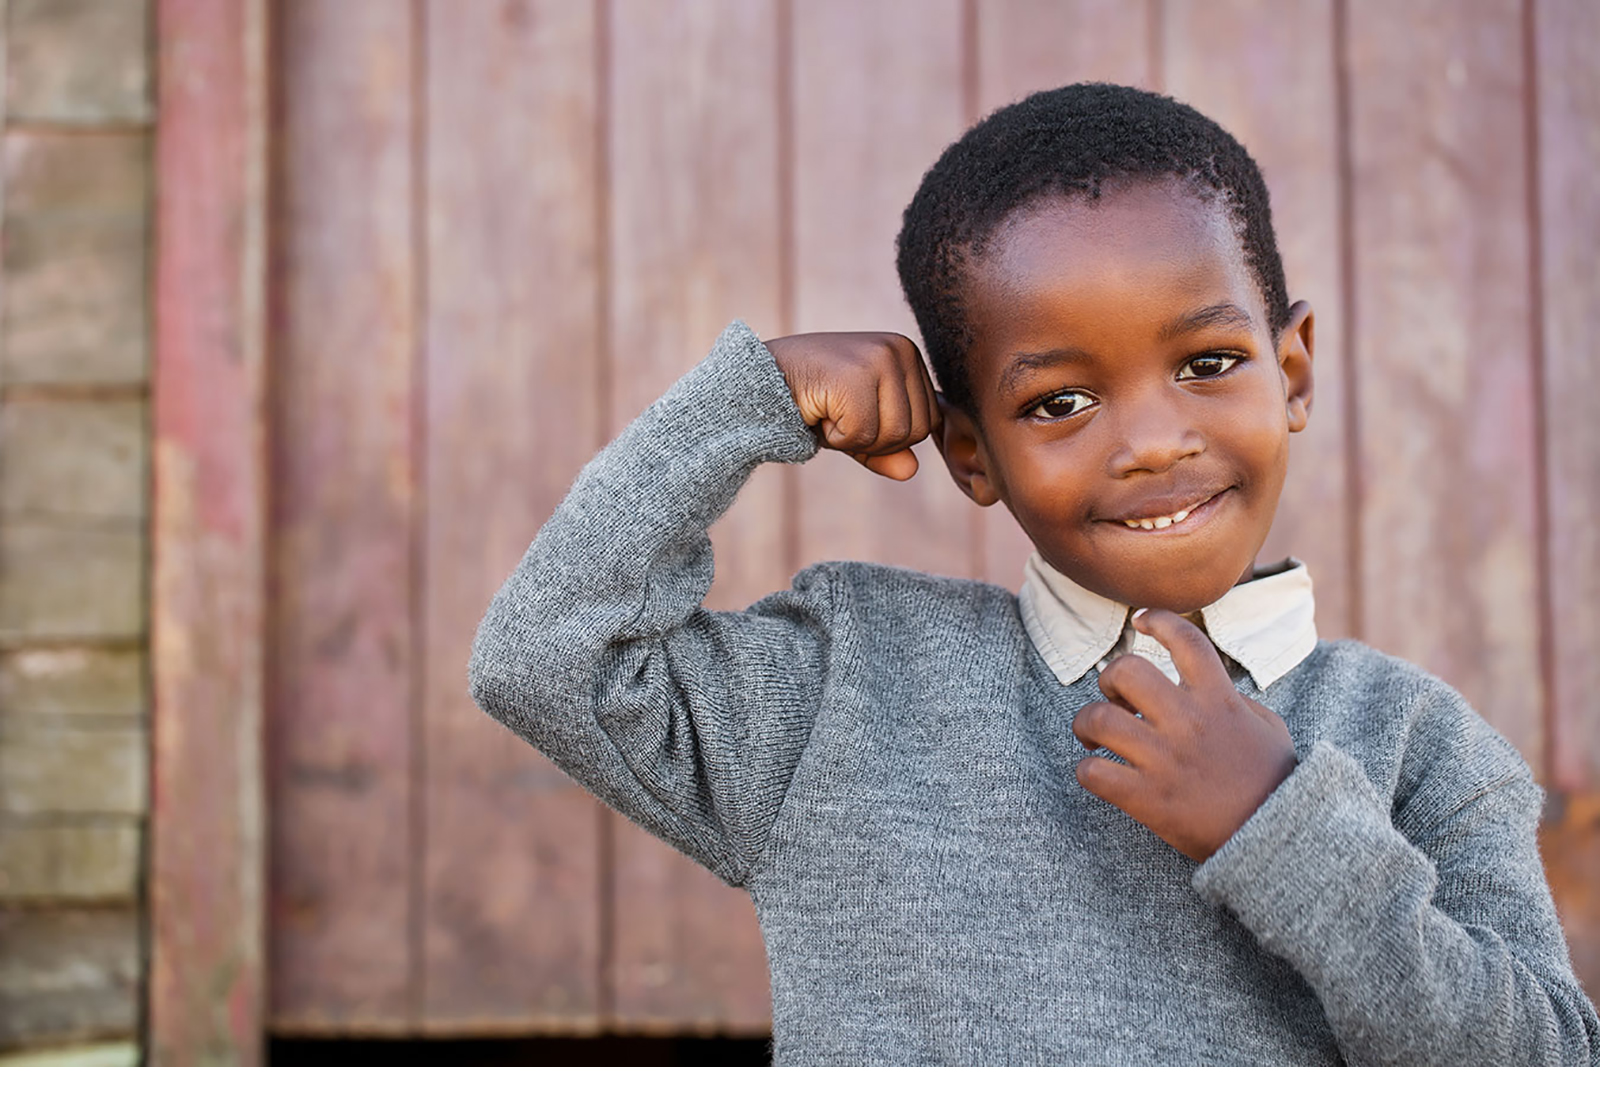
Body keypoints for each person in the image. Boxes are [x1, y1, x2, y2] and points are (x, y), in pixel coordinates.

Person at [467, 83, 1599, 1065]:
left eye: (1208, 362)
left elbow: (1544, 1062)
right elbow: (544, 658)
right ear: (973, 453)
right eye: (1059, 402)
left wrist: (1280, 823)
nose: (1152, 442)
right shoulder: (845, 686)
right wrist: (741, 405)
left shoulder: (1417, 744)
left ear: (1291, 371)